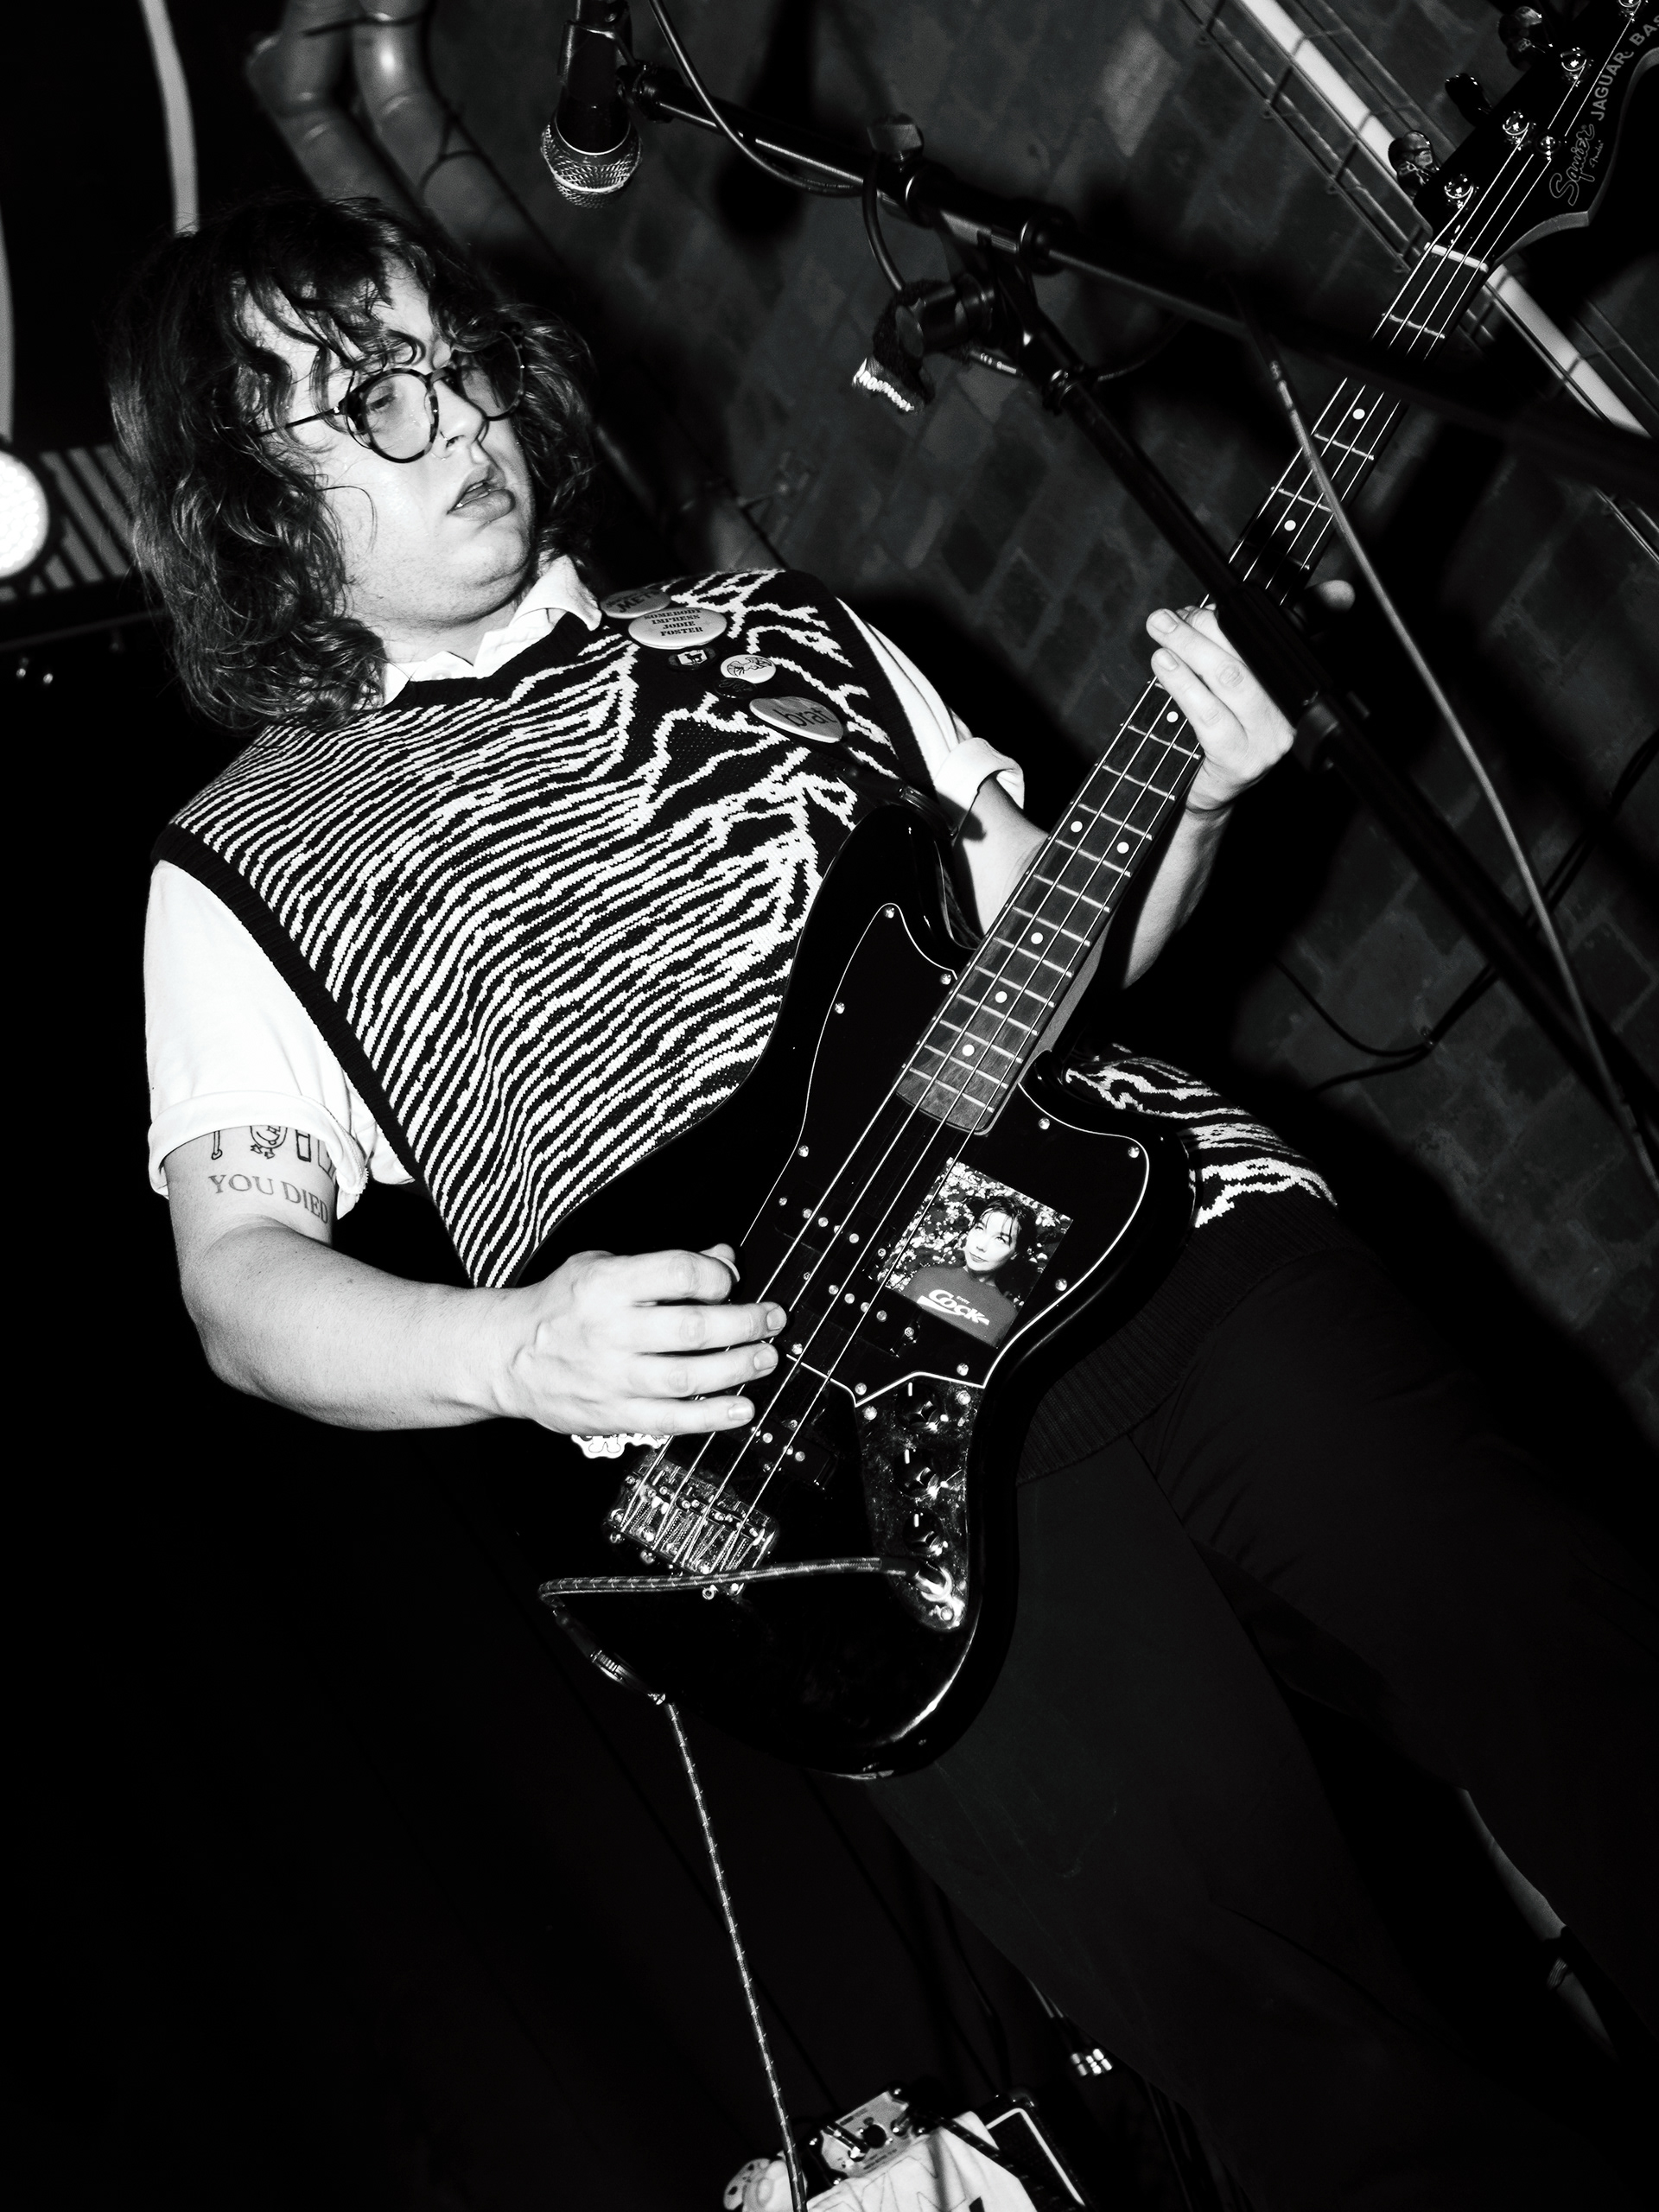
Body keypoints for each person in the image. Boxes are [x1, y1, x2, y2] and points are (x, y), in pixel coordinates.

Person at [117, 194, 1655, 2209]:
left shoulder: (791, 630)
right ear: (244, 495)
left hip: (1164, 1244)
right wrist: (513, 1344)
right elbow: (241, 1286)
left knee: (1588, 1666)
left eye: (450, 353)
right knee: (1305, 2060)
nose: (455, 411)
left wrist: (1189, 803)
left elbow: (1049, 954)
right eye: (366, 394)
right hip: (842, 1489)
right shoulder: (240, 858)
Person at [901, 1205, 1029, 1344]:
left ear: (1015, 1253)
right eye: (980, 1228)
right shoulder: (927, 1276)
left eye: (1000, 1239)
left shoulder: (1006, 1314)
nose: (981, 1246)